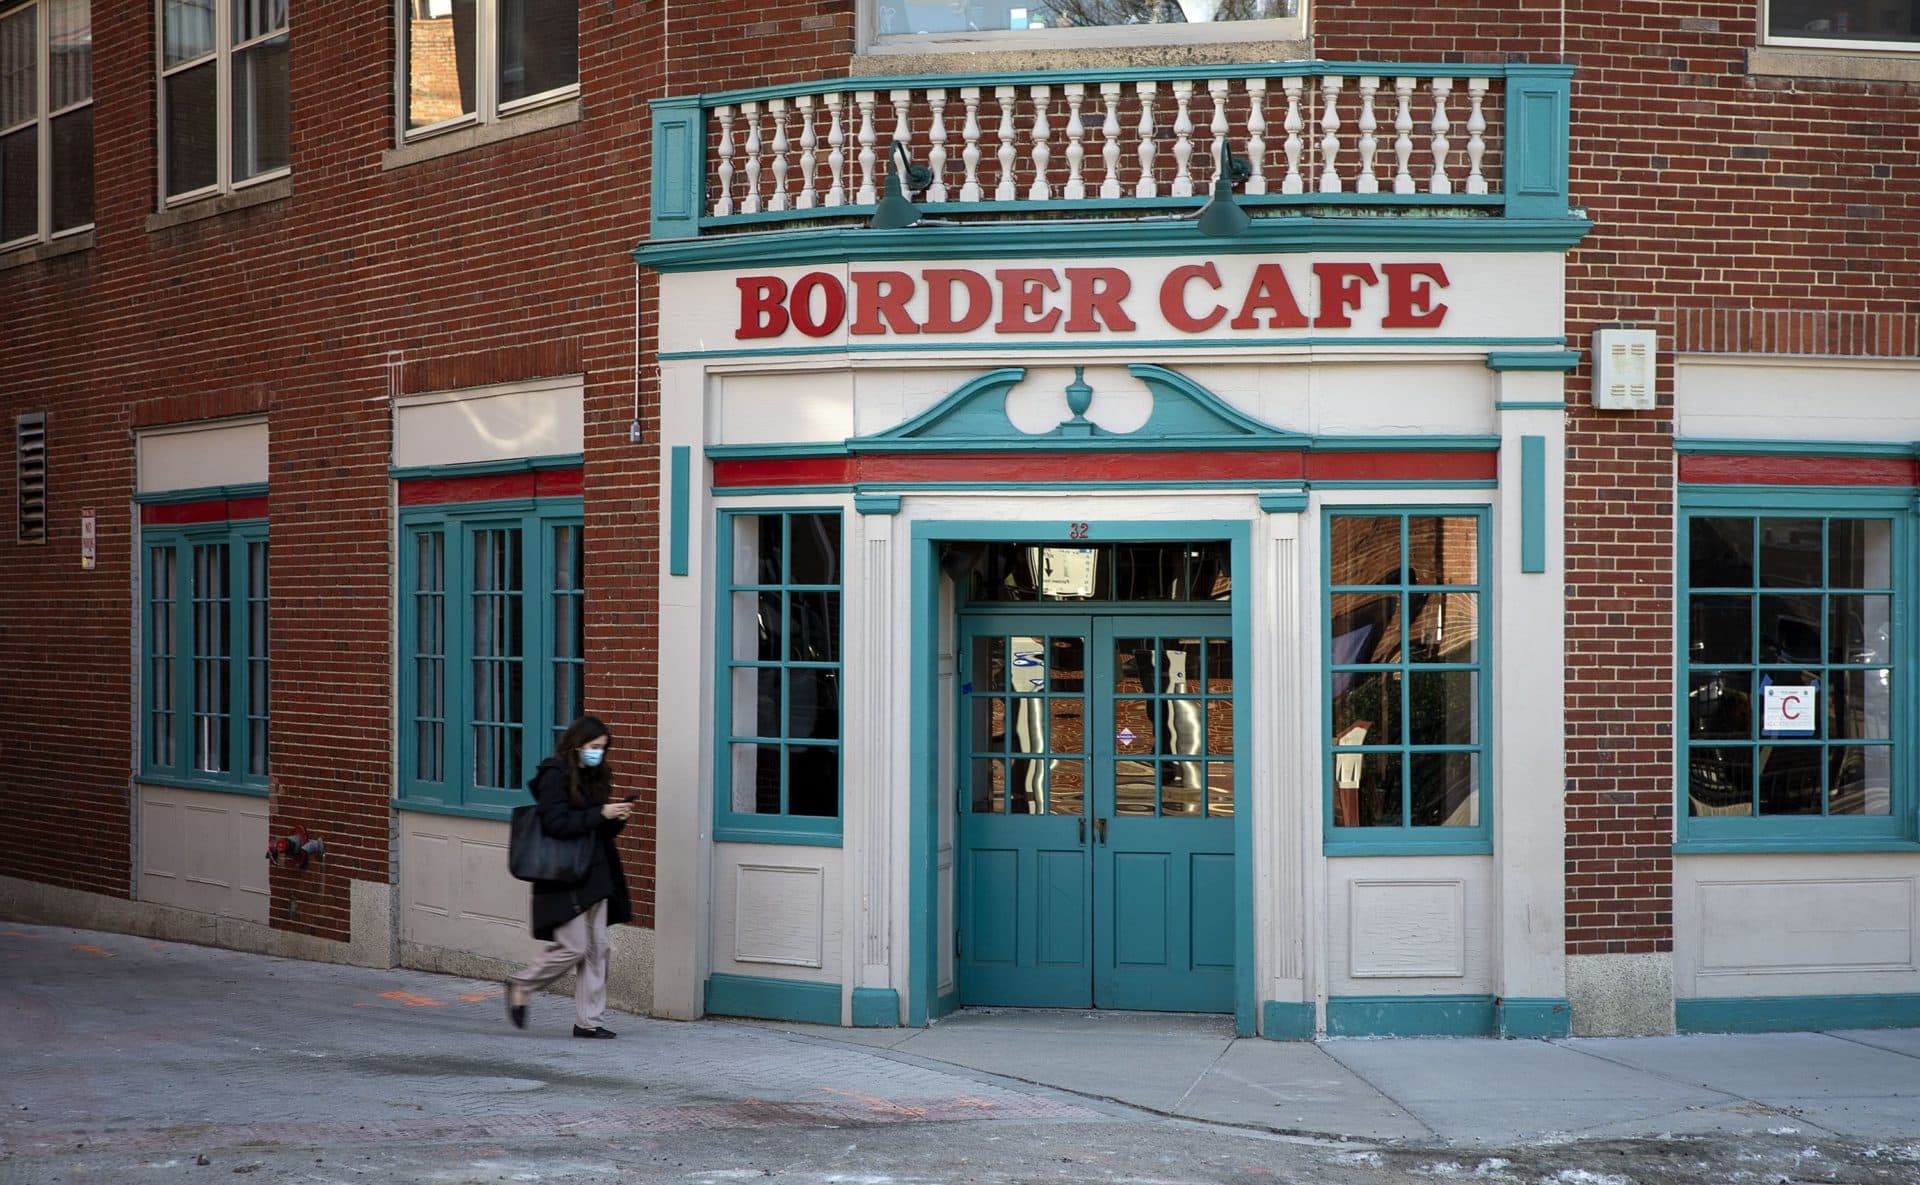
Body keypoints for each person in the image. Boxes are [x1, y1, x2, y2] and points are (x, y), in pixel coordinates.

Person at [505, 715, 633, 1038]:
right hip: (564, 875)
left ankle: (589, 1022)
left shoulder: (598, 775)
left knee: (598, 948)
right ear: (576, 744)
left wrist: (615, 817)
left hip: (596, 872)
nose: (598, 754)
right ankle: (521, 984)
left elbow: (596, 828)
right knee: (574, 946)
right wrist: (599, 813)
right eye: (593, 747)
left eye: (603, 748)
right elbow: (556, 824)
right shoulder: (555, 774)